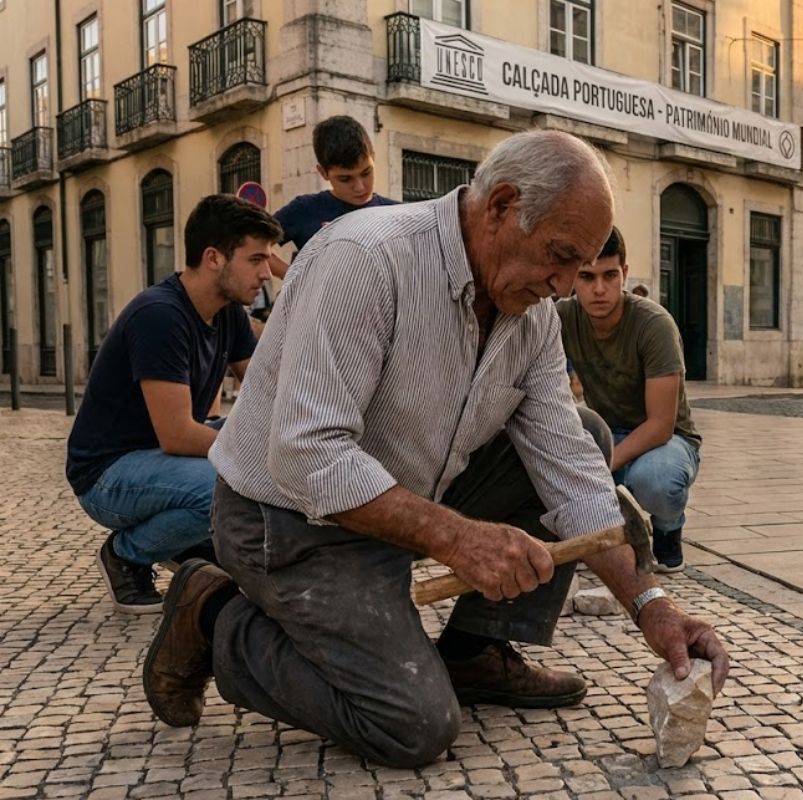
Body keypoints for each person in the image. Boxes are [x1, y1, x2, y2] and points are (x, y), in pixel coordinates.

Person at [140, 131, 729, 768]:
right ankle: (214, 614)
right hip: (284, 520)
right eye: (559, 256)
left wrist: (653, 608)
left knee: (583, 434)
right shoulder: (366, 258)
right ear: (501, 206)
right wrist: (457, 539)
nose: (564, 286)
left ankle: (477, 649)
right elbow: (308, 455)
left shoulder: (528, 316)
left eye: (581, 266)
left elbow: (573, 470)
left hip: (399, 501)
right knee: (413, 725)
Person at [66, 196, 279, 614]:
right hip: (108, 474)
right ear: (214, 257)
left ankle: (190, 543)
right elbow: (178, 434)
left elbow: (263, 392)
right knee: (225, 484)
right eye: (256, 259)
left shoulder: (228, 313)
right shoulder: (159, 316)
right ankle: (127, 554)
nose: (266, 273)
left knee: (265, 442)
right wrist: (255, 452)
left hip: (161, 459)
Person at [558, 226, 702, 573]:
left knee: (656, 481)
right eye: (586, 276)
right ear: (573, 278)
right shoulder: (562, 318)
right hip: (607, 431)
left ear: (624, 273)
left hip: (666, 441)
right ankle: (596, 535)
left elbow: (660, 424)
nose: (599, 289)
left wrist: (603, 465)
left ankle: (668, 529)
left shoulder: (654, 325)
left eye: (609, 275)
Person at [269, 115, 398, 278]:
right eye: (345, 179)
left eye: (366, 173)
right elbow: (253, 244)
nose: (359, 187)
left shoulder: (397, 212)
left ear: (374, 157)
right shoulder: (304, 209)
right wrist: (295, 280)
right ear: (323, 172)